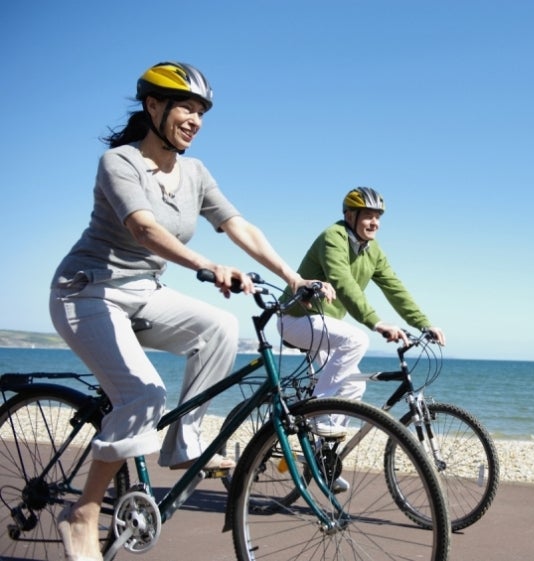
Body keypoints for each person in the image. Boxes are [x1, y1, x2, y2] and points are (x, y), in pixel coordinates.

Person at [49, 61, 334, 561]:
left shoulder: (195, 173)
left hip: (144, 291)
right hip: (88, 291)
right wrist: (207, 265)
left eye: (201, 111)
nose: (195, 119)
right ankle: (83, 512)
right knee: (143, 393)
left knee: (221, 326)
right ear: (153, 106)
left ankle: (184, 444)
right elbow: (143, 229)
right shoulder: (120, 163)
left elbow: (238, 226)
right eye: (186, 107)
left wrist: (294, 277)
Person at [278, 186, 445, 438]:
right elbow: (343, 282)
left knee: (354, 387)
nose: (374, 222)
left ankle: (326, 456)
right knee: (357, 339)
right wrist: (376, 323)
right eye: (368, 215)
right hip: (296, 319)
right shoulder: (332, 237)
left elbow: (395, 288)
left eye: (378, 217)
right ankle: (316, 411)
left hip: (325, 327)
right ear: (350, 216)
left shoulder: (373, 251)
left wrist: (423, 323)